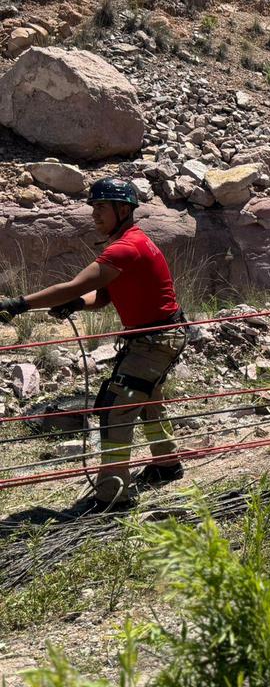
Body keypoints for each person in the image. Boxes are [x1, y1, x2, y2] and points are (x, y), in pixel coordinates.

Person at [0, 178, 187, 509]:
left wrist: (19, 304)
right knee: (146, 397)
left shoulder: (124, 248)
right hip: (159, 336)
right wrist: (77, 304)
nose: (94, 214)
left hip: (154, 340)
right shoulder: (132, 242)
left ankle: (113, 495)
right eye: (94, 207)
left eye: (101, 207)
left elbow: (73, 285)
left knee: (116, 409)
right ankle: (166, 463)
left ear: (123, 209)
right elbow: (101, 297)